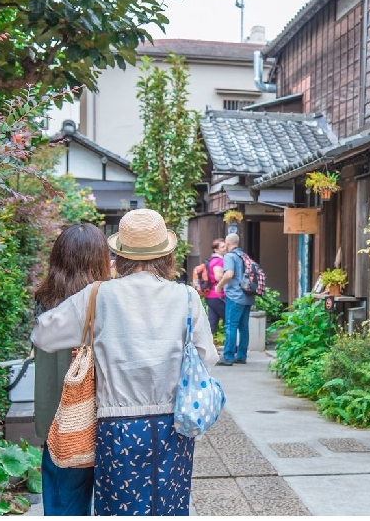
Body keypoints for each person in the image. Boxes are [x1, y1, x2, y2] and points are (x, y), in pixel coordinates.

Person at [31, 208, 218, 516]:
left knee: (120, 508)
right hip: (174, 425)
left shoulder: (99, 295)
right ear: (167, 254)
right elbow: (206, 358)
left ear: (121, 254)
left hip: (118, 424)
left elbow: (45, 335)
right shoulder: (186, 297)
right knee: (167, 507)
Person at [33, 223, 112, 516]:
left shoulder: (44, 300)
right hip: (105, 419)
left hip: (59, 422)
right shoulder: (108, 300)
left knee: (62, 507)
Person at [214, 232, 255, 366]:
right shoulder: (244, 256)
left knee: (231, 326)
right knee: (243, 327)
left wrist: (219, 286)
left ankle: (228, 356)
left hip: (235, 295)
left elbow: (229, 274)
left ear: (227, 243)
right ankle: (242, 356)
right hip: (247, 296)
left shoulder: (230, 256)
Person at [204, 237, 227, 335]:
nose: (225, 248)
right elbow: (218, 277)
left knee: (212, 324)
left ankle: (205, 347)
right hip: (218, 295)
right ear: (216, 249)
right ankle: (231, 347)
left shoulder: (212, 260)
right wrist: (228, 279)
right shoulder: (218, 261)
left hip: (210, 296)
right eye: (222, 247)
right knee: (229, 321)